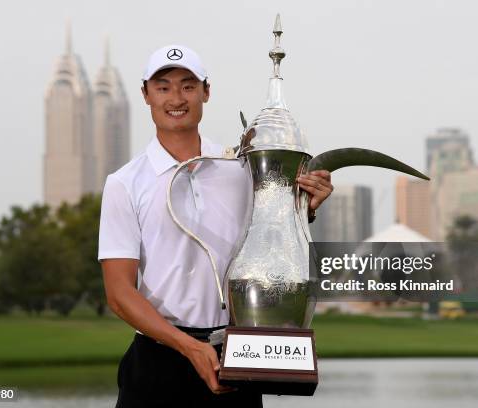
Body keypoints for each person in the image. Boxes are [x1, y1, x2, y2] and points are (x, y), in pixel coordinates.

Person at [98, 45, 333, 408]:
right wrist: (190, 348)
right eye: (163, 87)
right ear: (146, 94)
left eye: (188, 86)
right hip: (158, 359)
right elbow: (119, 294)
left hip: (235, 355)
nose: (176, 98)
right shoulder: (124, 183)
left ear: (206, 91)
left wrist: (305, 206)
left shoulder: (241, 170)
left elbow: (272, 240)